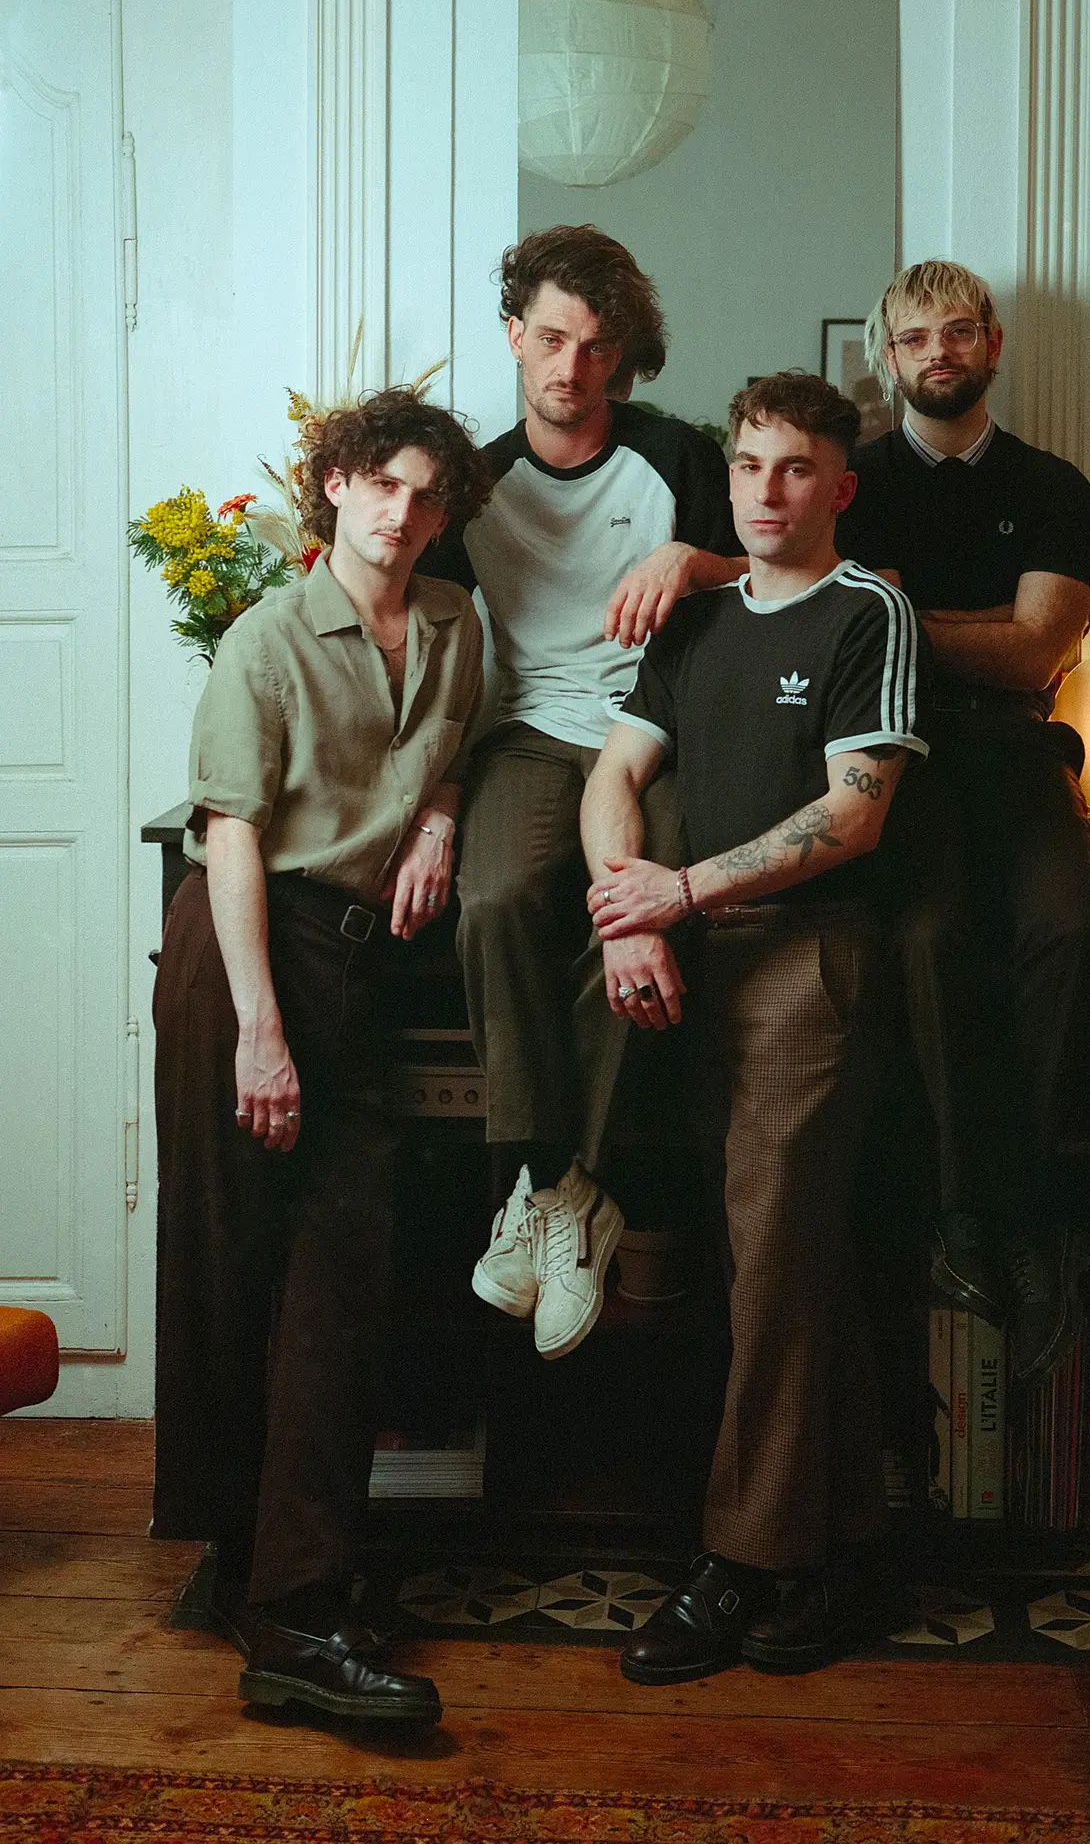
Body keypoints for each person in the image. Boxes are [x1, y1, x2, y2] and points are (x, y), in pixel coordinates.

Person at [581, 373, 927, 1683]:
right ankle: (844, 1555)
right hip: (684, 961)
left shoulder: (869, 609)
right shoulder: (698, 617)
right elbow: (615, 773)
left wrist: (679, 892)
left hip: (806, 962)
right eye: (747, 465)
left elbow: (854, 814)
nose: (766, 490)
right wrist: (627, 916)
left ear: (839, 486)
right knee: (766, 1267)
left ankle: (741, 1563)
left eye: (794, 468)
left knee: (777, 1273)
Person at [152, 388, 491, 1723]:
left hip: (352, 962)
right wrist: (258, 1032)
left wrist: (441, 824)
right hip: (244, 949)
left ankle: (285, 1585)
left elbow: (451, 755)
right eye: (381, 484)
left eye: (426, 494)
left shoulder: (456, 625)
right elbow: (231, 834)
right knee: (235, 1258)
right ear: (336, 486)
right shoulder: (268, 638)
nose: (402, 513)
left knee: (342, 1269)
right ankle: (279, 1602)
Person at [453, 225, 739, 1361]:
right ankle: (559, 1187)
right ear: (514, 336)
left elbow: (788, 570)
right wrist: (431, 807)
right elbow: (422, 641)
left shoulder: (680, 459)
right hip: (529, 730)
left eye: (596, 345)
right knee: (493, 899)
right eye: (552, 339)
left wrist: (696, 561)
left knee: (636, 909)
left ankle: (562, 1190)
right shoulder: (472, 483)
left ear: (623, 354)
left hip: (656, 730)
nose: (571, 367)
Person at [836, 260, 1090, 1383]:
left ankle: (1021, 1213)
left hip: (1019, 749)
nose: (936, 353)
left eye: (956, 332)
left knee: (1063, 931)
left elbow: (1038, 653)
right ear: (885, 357)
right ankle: (956, 1218)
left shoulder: (1053, 486)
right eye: (913, 338)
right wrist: (986, 616)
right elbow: (858, 632)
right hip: (901, 753)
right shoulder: (852, 480)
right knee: (928, 939)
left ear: (991, 344)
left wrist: (909, 610)